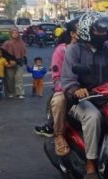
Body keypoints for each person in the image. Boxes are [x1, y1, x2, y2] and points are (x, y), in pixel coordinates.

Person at [61, 13, 108, 179]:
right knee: (93, 117)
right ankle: (91, 164)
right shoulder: (73, 51)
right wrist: (76, 90)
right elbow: (68, 80)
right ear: (87, 30)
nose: (104, 33)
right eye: (99, 30)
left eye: (105, 30)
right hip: (82, 100)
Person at [34, 19, 80, 158]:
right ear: (73, 33)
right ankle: (59, 135)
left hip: (91, 88)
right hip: (68, 88)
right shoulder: (62, 50)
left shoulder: (92, 48)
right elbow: (57, 77)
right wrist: (70, 88)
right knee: (60, 101)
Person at [1, 28, 28, 99]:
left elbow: (24, 54)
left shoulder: (21, 42)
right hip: (10, 62)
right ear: (10, 34)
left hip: (19, 62)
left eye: (16, 33)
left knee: (19, 78)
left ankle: (20, 93)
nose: (15, 34)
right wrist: (10, 61)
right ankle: (10, 92)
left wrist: (25, 62)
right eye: (13, 33)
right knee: (10, 78)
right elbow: (3, 53)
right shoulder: (7, 43)